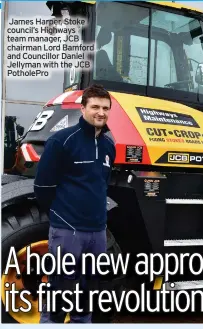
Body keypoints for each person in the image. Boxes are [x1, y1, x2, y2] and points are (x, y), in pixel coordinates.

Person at [34, 84, 116, 323]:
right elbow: (43, 187)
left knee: (88, 292)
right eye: (95, 107)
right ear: (82, 108)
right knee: (61, 290)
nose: (100, 112)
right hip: (67, 230)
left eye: (105, 108)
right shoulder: (62, 141)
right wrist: (61, 216)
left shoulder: (109, 145)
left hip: (97, 233)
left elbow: (101, 185)